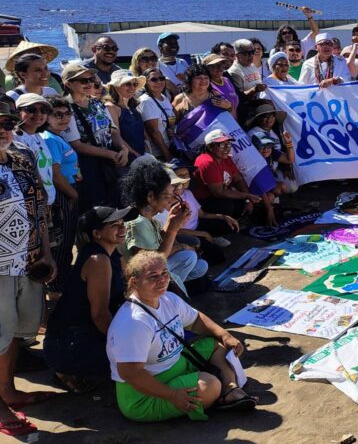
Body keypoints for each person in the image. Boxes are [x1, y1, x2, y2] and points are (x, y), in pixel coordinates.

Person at [106, 251, 256, 422]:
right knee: (211, 385)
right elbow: (131, 373)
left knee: (216, 344)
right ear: (134, 282)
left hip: (176, 364)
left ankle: (230, 389)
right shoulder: (133, 322)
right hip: (143, 395)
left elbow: (196, 320)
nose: (162, 280)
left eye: (164, 273)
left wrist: (225, 334)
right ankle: (218, 395)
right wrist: (172, 395)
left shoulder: (168, 299)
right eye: (153, 276)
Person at [0, 103, 56, 435]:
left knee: (17, 334)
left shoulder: (22, 160)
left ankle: (7, 389)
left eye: (7, 122)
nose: (3, 128)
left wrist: (46, 254)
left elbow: (40, 212)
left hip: (28, 260)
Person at [43, 206, 131, 393]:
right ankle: (68, 372)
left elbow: (134, 286)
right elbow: (100, 315)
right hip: (67, 345)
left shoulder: (113, 254)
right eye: (114, 225)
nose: (122, 228)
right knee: (139, 359)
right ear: (97, 233)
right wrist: (127, 344)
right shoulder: (98, 259)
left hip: (83, 336)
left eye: (122, 223)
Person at [121, 157, 209, 292]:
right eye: (167, 196)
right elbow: (150, 264)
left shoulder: (150, 218)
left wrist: (172, 221)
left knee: (200, 265)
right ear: (150, 196)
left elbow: (162, 241)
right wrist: (174, 230)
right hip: (146, 277)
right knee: (189, 257)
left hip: (157, 267)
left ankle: (172, 285)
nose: (171, 201)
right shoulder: (138, 223)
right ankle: (169, 289)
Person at [62, 61, 128, 209]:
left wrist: (123, 149)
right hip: (88, 167)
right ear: (68, 84)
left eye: (91, 80)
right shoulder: (66, 108)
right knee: (97, 208)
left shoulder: (97, 103)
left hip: (108, 162)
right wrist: (111, 154)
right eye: (83, 80)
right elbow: (76, 144)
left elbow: (113, 130)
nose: (89, 83)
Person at [44, 97, 81, 291]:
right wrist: (74, 195)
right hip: (63, 195)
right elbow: (56, 175)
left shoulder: (58, 136)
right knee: (63, 243)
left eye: (67, 114)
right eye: (58, 114)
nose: (64, 118)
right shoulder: (49, 139)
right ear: (47, 117)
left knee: (67, 243)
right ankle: (57, 288)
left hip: (69, 190)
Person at [193, 129, 266, 223]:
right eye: (222, 145)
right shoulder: (207, 163)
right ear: (210, 147)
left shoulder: (226, 158)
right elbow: (218, 192)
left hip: (221, 194)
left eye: (228, 144)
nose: (227, 148)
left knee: (246, 200)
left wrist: (248, 199)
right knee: (228, 206)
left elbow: (238, 179)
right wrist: (247, 196)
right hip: (204, 201)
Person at [246, 102, 297, 195]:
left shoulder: (274, 132)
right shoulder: (253, 133)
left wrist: (289, 143)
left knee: (292, 186)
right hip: (260, 172)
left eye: (272, 115)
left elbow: (290, 159)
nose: (269, 119)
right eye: (265, 116)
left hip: (274, 169)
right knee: (280, 189)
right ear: (258, 118)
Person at [14, 93, 56, 206]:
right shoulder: (15, 138)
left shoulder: (39, 136)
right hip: (35, 203)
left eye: (43, 110)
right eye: (31, 109)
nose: (38, 114)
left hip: (48, 201)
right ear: (18, 113)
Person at [105, 69, 148, 160]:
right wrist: (136, 155)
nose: (132, 88)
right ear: (115, 86)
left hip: (141, 156)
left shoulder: (132, 106)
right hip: (126, 160)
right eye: (127, 84)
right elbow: (116, 137)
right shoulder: (110, 107)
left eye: (135, 84)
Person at [138, 66, 177, 161]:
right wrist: (167, 156)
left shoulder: (164, 97)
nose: (159, 82)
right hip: (159, 154)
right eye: (154, 79)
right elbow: (153, 132)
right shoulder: (146, 101)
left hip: (170, 147)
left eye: (161, 78)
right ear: (146, 82)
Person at [227, 39, 266, 112]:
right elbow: (240, 98)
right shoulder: (234, 72)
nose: (250, 56)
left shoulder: (252, 65)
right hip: (247, 110)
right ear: (237, 55)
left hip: (259, 104)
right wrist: (255, 90)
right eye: (246, 54)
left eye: (252, 52)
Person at [203, 53, 239, 118]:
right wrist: (229, 106)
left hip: (234, 123)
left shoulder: (226, 80)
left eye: (222, 64)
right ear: (207, 68)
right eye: (215, 65)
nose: (220, 67)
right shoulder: (206, 85)